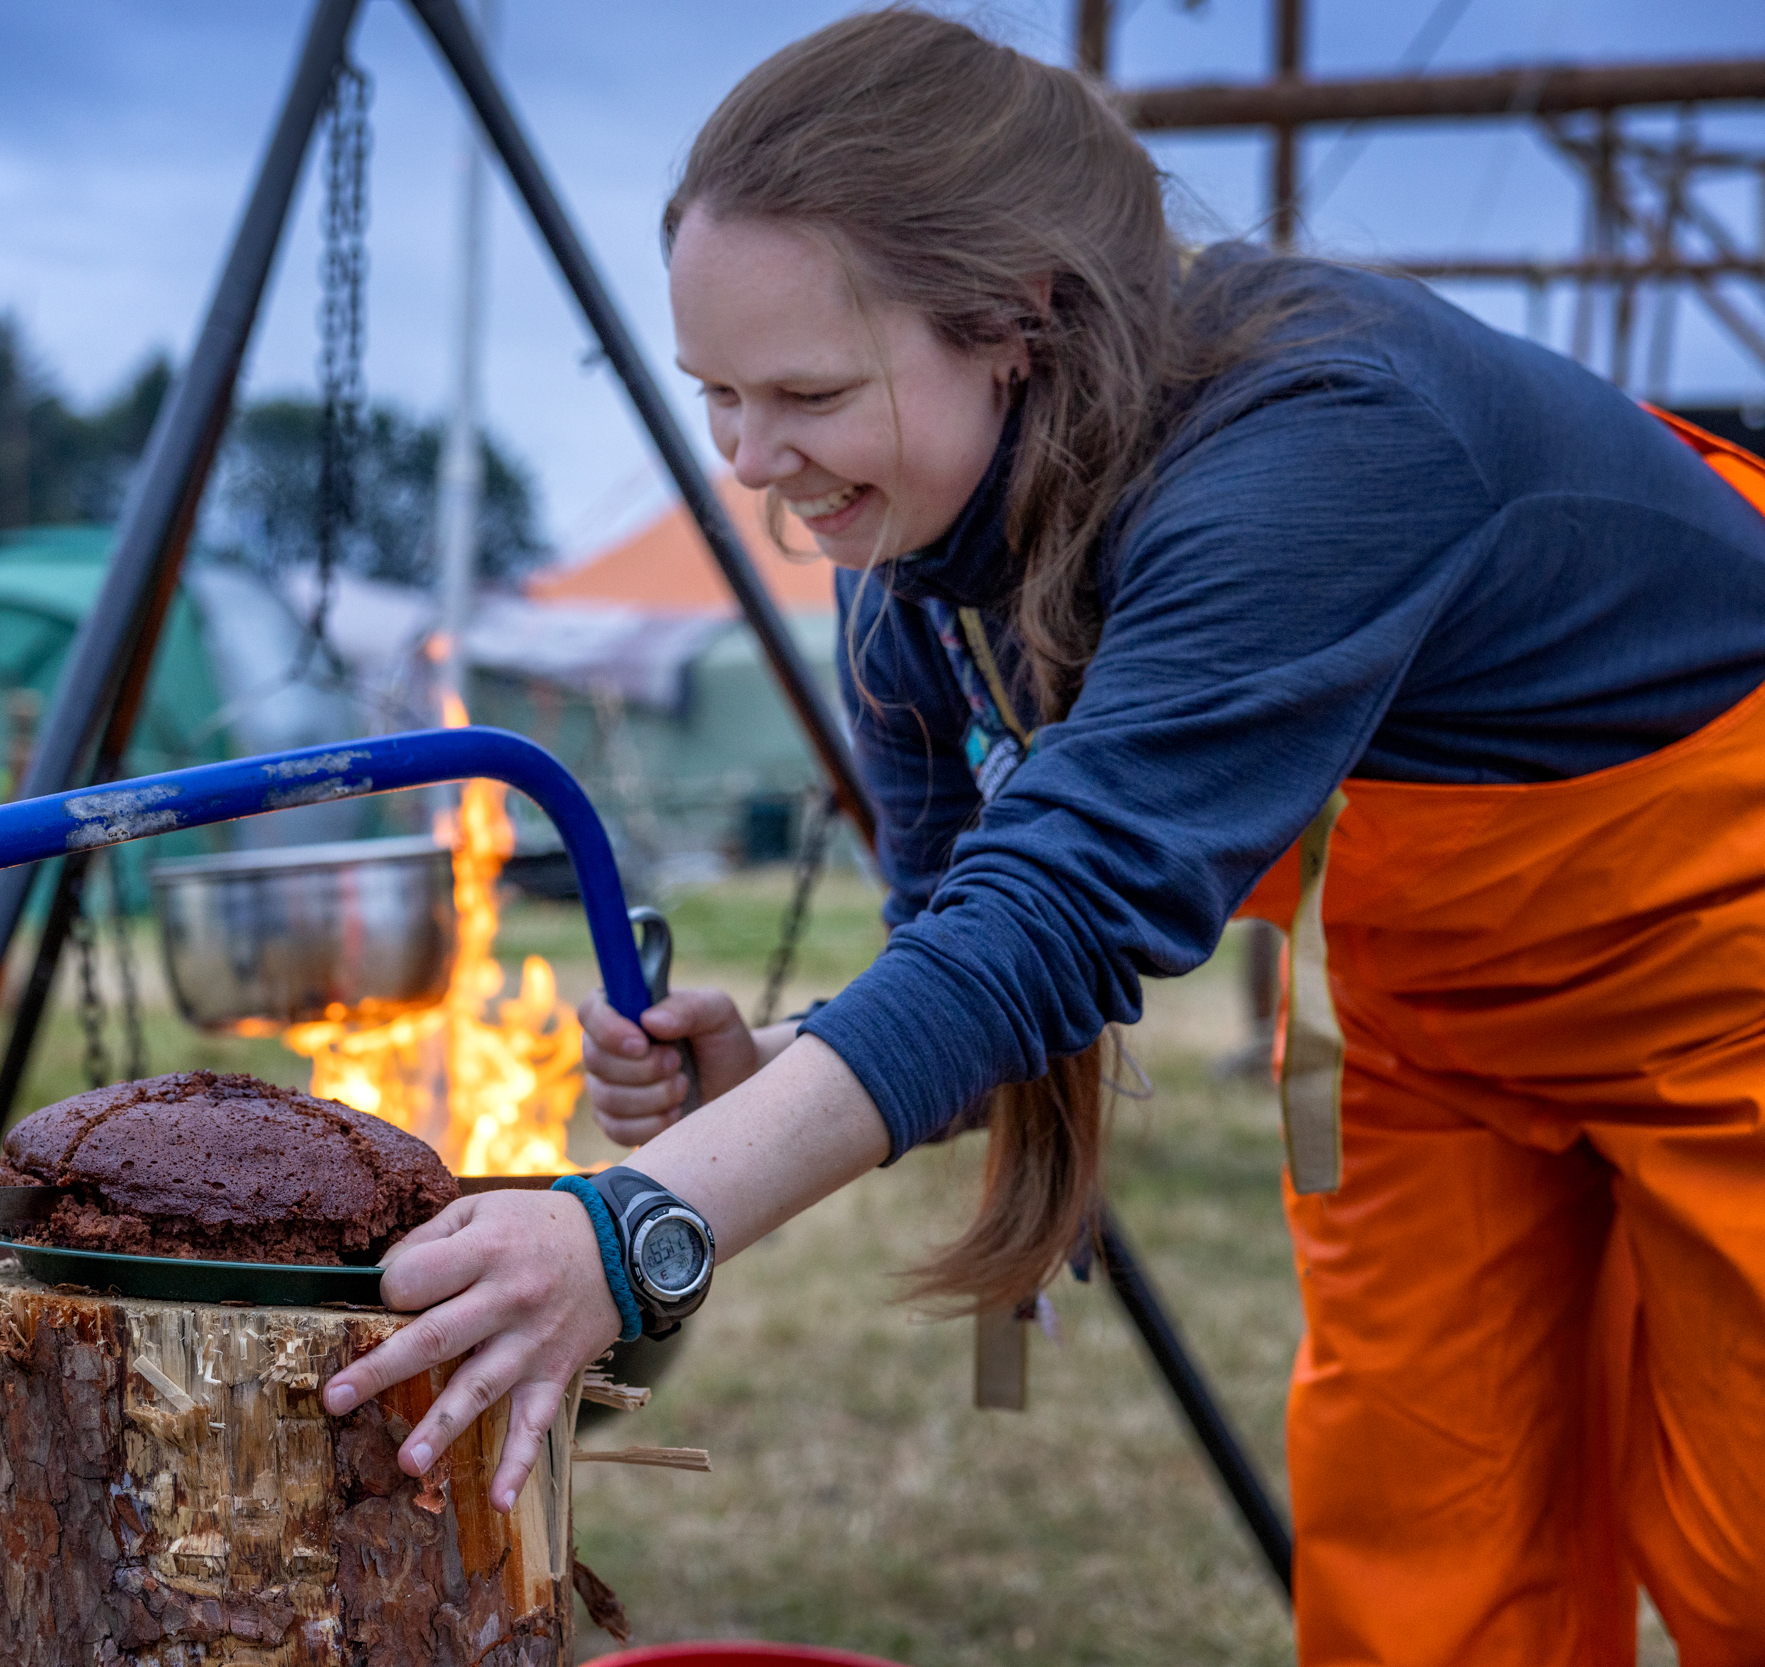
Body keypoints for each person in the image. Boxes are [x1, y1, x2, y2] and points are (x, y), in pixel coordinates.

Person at [317, 13, 1765, 1665]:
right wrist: (777, 1066)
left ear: (1018, 327)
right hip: (1427, 1017)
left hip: (1728, 952)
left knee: (1743, 1560)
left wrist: (630, 1216)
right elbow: (980, 965)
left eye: (806, 393)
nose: (748, 463)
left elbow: (1063, 909)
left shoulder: (1320, 433)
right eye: (714, 395)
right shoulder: (915, 574)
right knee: (1427, 1555)